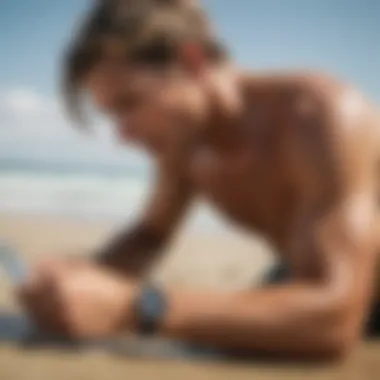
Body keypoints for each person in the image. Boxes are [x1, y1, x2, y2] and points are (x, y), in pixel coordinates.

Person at [18, 0, 380, 361]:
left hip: (345, 294)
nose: (122, 135)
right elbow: (149, 236)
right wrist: (81, 280)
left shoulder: (317, 116)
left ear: (192, 61)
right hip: (315, 278)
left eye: (130, 104)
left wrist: (136, 307)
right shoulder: (186, 143)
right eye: (112, 116)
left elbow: (336, 320)